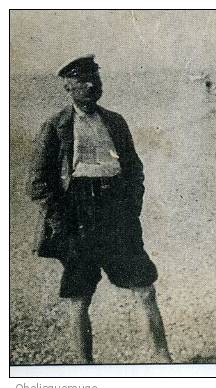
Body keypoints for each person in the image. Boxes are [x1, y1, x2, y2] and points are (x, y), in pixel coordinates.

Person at [28, 55, 172, 363]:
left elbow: (134, 168)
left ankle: (163, 361)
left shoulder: (115, 121)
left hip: (117, 212)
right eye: (82, 80)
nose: (92, 85)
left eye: (96, 78)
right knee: (78, 297)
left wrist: (131, 207)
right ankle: (84, 369)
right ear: (68, 87)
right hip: (78, 214)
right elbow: (38, 184)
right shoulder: (55, 127)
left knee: (144, 287)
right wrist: (62, 222)